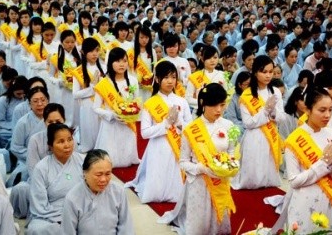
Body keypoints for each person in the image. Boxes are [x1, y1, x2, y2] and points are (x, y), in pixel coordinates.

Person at [159, 83, 237, 234]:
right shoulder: (191, 129)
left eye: (222, 105)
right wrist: (200, 168)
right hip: (199, 183)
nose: (219, 110)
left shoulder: (229, 125)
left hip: (220, 182)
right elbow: (182, 162)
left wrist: (231, 165)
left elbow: (231, 151)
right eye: (214, 105)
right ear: (202, 103)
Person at [125, 60, 192, 203]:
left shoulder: (182, 101)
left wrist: (179, 123)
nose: (170, 81)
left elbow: (190, 128)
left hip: (178, 146)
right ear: (157, 79)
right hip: (158, 147)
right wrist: (166, 124)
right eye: (166, 77)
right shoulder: (150, 103)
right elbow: (144, 133)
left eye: (173, 77)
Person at [283, 88, 332, 233]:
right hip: (305, 202)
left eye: (330, 110)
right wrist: (323, 164)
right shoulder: (294, 139)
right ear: (308, 110)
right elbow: (294, 181)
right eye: (322, 110)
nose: (327, 115)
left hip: (329, 199)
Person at [232, 55, 285, 189]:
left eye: (270, 72)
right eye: (264, 72)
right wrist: (265, 111)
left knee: (269, 180)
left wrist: (273, 113)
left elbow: (282, 117)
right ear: (255, 72)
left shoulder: (276, 92)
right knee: (252, 178)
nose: (268, 75)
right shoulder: (247, 95)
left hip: (271, 135)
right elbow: (248, 123)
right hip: (254, 137)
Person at [27, 123, 84, 235]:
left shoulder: (83, 161)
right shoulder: (41, 168)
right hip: (51, 215)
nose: (67, 145)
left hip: (80, 211)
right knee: (36, 229)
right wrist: (62, 219)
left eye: (69, 139)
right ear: (50, 146)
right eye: (61, 141)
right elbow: (39, 205)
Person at [61, 149, 134, 234]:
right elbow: (68, 232)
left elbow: (126, 226)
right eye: (98, 175)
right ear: (84, 173)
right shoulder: (72, 198)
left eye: (107, 174)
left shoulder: (118, 192)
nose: (103, 179)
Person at [93, 47, 140, 167]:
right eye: (118, 61)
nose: (122, 64)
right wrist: (111, 115)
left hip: (128, 124)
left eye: (124, 61)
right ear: (110, 63)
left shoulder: (133, 81)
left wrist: (133, 113)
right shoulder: (103, 83)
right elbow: (96, 107)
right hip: (111, 124)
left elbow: (138, 102)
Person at [8, 86, 49, 186]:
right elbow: (15, 147)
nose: (40, 104)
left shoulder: (53, 119)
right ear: (29, 104)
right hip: (26, 161)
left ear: (48, 101)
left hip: (51, 159)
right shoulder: (23, 123)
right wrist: (34, 156)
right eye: (35, 101)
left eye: (43, 100)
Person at [73, 37, 106, 152]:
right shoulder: (79, 71)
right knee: (89, 128)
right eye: (91, 51)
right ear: (83, 52)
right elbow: (75, 94)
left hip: (101, 104)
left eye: (97, 50)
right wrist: (92, 88)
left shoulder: (104, 68)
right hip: (87, 104)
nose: (94, 54)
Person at [186, 45, 227, 115]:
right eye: (209, 58)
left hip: (218, 113)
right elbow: (188, 98)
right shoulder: (194, 77)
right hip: (200, 113)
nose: (212, 60)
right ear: (202, 59)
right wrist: (205, 103)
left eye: (215, 57)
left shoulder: (223, 75)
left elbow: (227, 95)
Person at [0, 75, 28, 149]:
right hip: (8, 130)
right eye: (18, 94)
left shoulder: (28, 100)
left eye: (24, 94)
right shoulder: (3, 100)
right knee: (0, 135)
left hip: (26, 130)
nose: (21, 96)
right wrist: (14, 127)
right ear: (12, 90)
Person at [127, 25, 156, 102]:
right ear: (137, 37)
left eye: (146, 38)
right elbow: (127, 69)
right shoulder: (131, 52)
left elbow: (154, 69)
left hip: (147, 87)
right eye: (142, 37)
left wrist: (150, 82)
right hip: (134, 86)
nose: (144, 40)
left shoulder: (152, 51)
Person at [224, 71, 251, 136]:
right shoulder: (233, 98)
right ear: (239, 85)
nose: (250, 87)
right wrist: (248, 126)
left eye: (251, 84)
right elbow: (232, 118)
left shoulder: (257, 96)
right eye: (247, 84)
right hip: (241, 126)